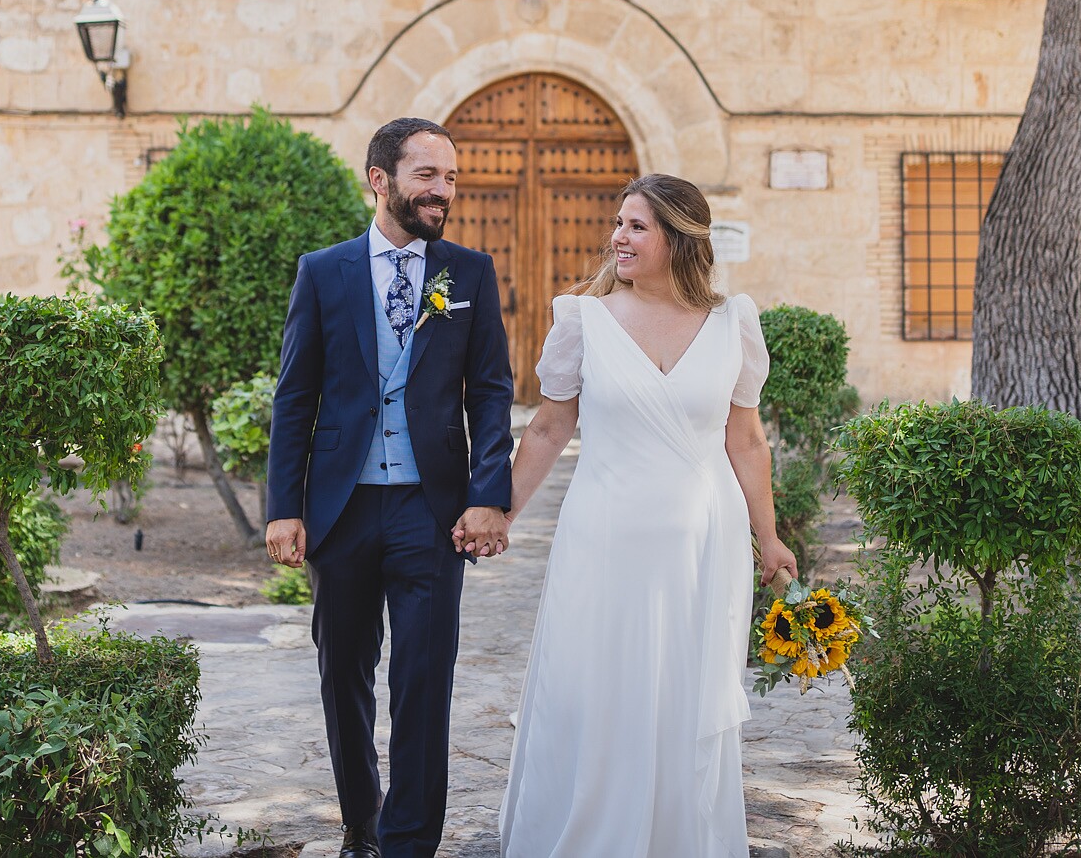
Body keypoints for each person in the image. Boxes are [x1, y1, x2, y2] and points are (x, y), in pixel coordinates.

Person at [496, 173, 799, 858]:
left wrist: (770, 536)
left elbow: (746, 439)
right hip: (603, 535)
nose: (619, 237)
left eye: (637, 226)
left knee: (686, 696)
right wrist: (501, 512)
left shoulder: (732, 323)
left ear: (679, 238)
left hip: (704, 545)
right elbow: (548, 427)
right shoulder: (585, 320)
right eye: (619, 223)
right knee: (595, 685)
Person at [266, 116, 518, 858]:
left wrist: (488, 492)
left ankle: (408, 842)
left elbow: (492, 391)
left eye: (451, 178)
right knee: (343, 674)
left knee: (423, 680)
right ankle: (361, 824)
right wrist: (283, 507)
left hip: (430, 510)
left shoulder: (468, 273)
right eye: (427, 175)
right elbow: (295, 397)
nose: (443, 190)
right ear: (381, 180)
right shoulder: (324, 271)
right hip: (340, 509)